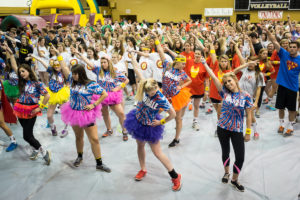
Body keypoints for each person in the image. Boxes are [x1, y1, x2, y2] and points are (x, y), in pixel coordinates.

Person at [124, 56, 181, 191]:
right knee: (140, 145)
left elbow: (173, 114)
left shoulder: (161, 99)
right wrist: (131, 58)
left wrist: (161, 121)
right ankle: (143, 169)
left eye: (154, 91)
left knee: (157, 152)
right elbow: (137, 70)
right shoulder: (145, 85)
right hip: (138, 120)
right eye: (150, 92)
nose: (153, 94)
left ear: (156, 87)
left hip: (150, 125)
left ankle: (175, 175)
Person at [202, 56, 253, 192]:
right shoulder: (224, 92)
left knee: (240, 157)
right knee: (226, 152)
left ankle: (235, 179)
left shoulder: (246, 96)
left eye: (230, 81)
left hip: (237, 130)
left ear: (235, 80)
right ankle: (226, 172)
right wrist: (203, 63)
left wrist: (248, 132)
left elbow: (249, 114)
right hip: (222, 128)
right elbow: (213, 77)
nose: (228, 84)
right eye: (225, 83)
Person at [60, 62, 111, 172]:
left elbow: (104, 94)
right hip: (73, 113)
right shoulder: (71, 81)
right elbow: (64, 67)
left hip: (86, 114)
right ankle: (79, 156)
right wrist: (58, 54)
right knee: (79, 137)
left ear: (81, 73)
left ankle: (99, 163)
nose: (73, 76)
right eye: (72, 73)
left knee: (94, 139)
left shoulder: (91, 84)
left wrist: (94, 104)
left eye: (76, 74)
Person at [78, 53, 129, 141]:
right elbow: (89, 63)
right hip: (101, 95)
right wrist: (81, 55)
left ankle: (124, 131)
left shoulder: (115, 72)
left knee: (121, 113)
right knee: (105, 113)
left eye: (104, 62)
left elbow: (126, 80)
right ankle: (109, 130)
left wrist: (119, 87)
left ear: (109, 62)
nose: (103, 64)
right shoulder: (98, 70)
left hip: (112, 96)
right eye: (101, 62)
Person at [154, 33, 192, 147]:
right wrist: (156, 39)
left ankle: (176, 138)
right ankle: (154, 131)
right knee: (156, 112)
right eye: (183, 63)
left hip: (176, 96)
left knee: (177, 118)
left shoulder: (182, 73)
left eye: (185, 63)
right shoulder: (168, 65)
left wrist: (181, 86)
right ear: (177, 62)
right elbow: (161, 52)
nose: (184, 65)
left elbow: (189, 80)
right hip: (164, 95)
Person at [13, 60, 51, 165]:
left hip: (31, 111)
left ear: (29, 71)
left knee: (26, 136)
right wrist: (11, 54)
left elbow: (47, 95)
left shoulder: (37, 83)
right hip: (20, 110)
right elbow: (13, 65)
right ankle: (35, 149)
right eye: (20, 72)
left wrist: (41, 107)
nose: (21, 74)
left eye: (23, 71)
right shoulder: (21, 82)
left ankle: (43, 151)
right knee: (29, 134)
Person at [264, 26, 300, 136]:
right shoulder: (284, 54)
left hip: (293, 88)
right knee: (280, 108)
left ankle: (290, 126)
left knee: (292, 110)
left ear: (298, 49)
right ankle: (282, 124)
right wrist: (267, 32)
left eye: (294, 47)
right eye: (290, 47)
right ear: (288, 48)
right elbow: (274, 41)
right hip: (282, 86)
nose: (292, 48)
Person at [31, 46, 70, 137]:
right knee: (49, 116)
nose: (56, 66)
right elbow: (42, 62)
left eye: (58, 65)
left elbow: (64, 68)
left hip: (61, 94)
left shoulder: (64, 73)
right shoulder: (51, 71)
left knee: (66, 114)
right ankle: (53, 128)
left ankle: (65, 129)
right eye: (55, 65)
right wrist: (35, 57)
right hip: (52, 94)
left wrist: (58, 54)